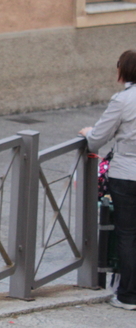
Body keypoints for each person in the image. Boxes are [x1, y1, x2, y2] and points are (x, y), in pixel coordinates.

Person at [79, 49, 136, 311]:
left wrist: (89, 132)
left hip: (128, 175)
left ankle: (128, 295)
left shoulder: (123, 100)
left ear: (123, 71)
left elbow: (96, 139)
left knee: (127, 233)